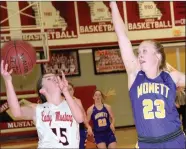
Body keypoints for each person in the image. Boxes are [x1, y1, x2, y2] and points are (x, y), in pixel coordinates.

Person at [110, 2, 186, 148]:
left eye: (144, 51)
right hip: (147, 143)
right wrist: (113, 4)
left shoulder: (171, 77)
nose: (140, 55)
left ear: (157, 55)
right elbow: (122, 37)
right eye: (138, 52)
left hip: (174, 140)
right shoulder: (135, 75)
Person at [0, 60, 84, 148]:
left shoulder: (72, 103)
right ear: (42, 90)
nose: (54, 79)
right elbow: (16, 112)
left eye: (55, 77)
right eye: (49, 78)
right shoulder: (37, 109)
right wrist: (8, 81)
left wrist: (66, 91)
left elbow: (80, 119)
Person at [67, 82, 90, 149]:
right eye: (67, 90)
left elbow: (83, 114)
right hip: (69, 130)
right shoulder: (62, 102)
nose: (69, 91)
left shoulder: (78, 101)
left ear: (73, 90)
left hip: (80, 128)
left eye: (70, 89)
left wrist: (88, 126)